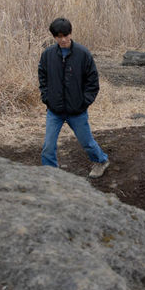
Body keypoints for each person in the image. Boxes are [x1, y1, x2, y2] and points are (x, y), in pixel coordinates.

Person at [38, 18, 109, 178]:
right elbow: (42, 75)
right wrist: (46, 97)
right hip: (54, 110)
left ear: (71, 33)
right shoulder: (47, 55)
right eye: (58, 36)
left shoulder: (83, 54)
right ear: (54, 36)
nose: (63, 39)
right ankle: (50, 173)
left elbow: (93, 81)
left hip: (77, 111)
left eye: (66, 35)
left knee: (87, 143)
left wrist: (83, 102)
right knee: (48, 146)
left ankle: (101, 161)